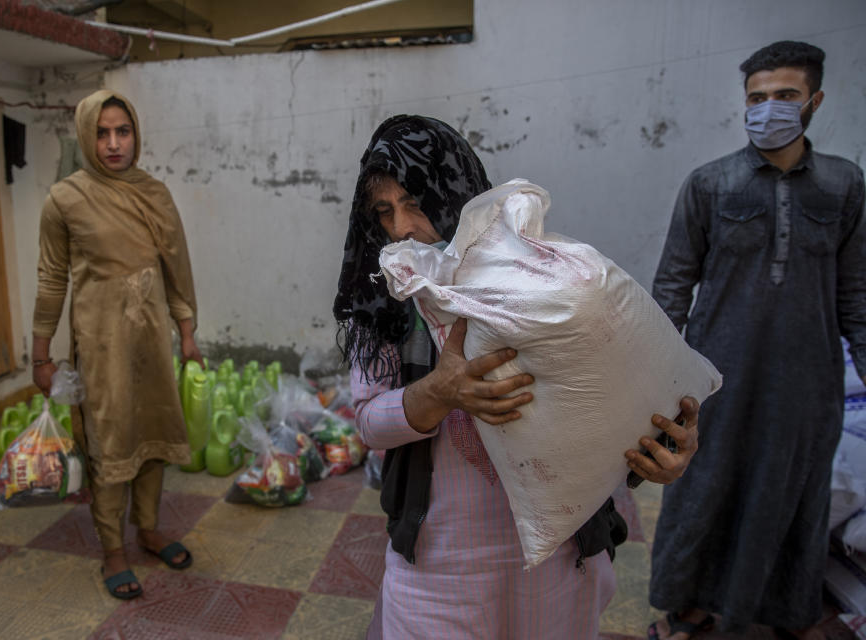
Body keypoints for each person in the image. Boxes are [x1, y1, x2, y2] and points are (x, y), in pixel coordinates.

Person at [333, 114, 701, 639]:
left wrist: (664, 447)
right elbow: (370, 425)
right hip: (439, 565)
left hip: (558, 561)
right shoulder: (388, 304)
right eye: (384, 212)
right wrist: (438, 391)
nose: (401, 229)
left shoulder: (544, 284)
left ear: (458, 194)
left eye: (415, 203)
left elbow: (613, 396)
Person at [648, 41, 866, 639]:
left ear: (813, 101)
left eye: (785, 96)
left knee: (791, 498)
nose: (769, 108)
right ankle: (685, 607)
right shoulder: (710, 186)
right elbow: (671, 288)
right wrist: (648, 382)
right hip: (716, 381)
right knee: (701, 492)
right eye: (757, 98)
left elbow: (857, 297)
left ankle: (784, 613)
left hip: (807, 384)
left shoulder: (845, 187)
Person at [31, 90, 203, 600]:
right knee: (110, 444)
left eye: (122, 132)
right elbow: (51, 279)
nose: (113, 144)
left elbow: (178, 267)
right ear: (87, 136)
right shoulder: (64, 198)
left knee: (152, 433)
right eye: (102, 133)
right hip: (101, 345)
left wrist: (187, 332)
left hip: (151, 339)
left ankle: (147, 529)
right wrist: (40, 357)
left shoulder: (155, 192)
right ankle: (112, 550)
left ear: (135, 136)